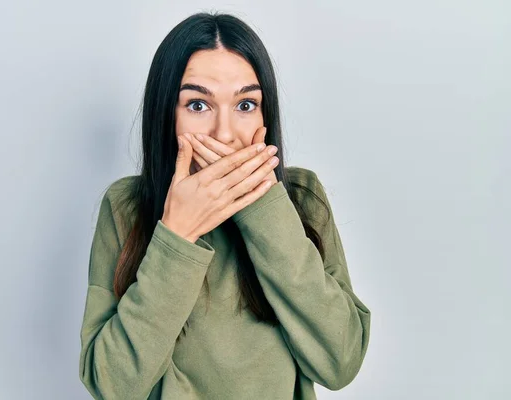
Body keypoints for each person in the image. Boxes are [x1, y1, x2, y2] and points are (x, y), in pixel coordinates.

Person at [79, 11, 371, 400]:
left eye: (246, 105)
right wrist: (177, 236)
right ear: (167, 115)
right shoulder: (126, 208)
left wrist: (263, 207)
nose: (225, 133)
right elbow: (112, 385)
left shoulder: (301, 198)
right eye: (198, 105)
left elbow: (341, 362)